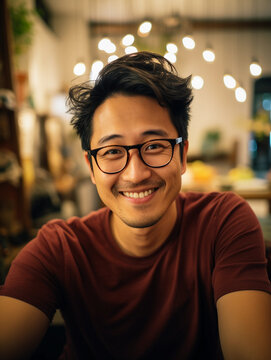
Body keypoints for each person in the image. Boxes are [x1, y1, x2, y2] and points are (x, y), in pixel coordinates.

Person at [0, 51, 271, 360]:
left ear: (182, 156)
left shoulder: (223, 223)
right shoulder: (61, 249)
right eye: (113, 151)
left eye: (154, 146)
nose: (136, 173)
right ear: (91, 167)